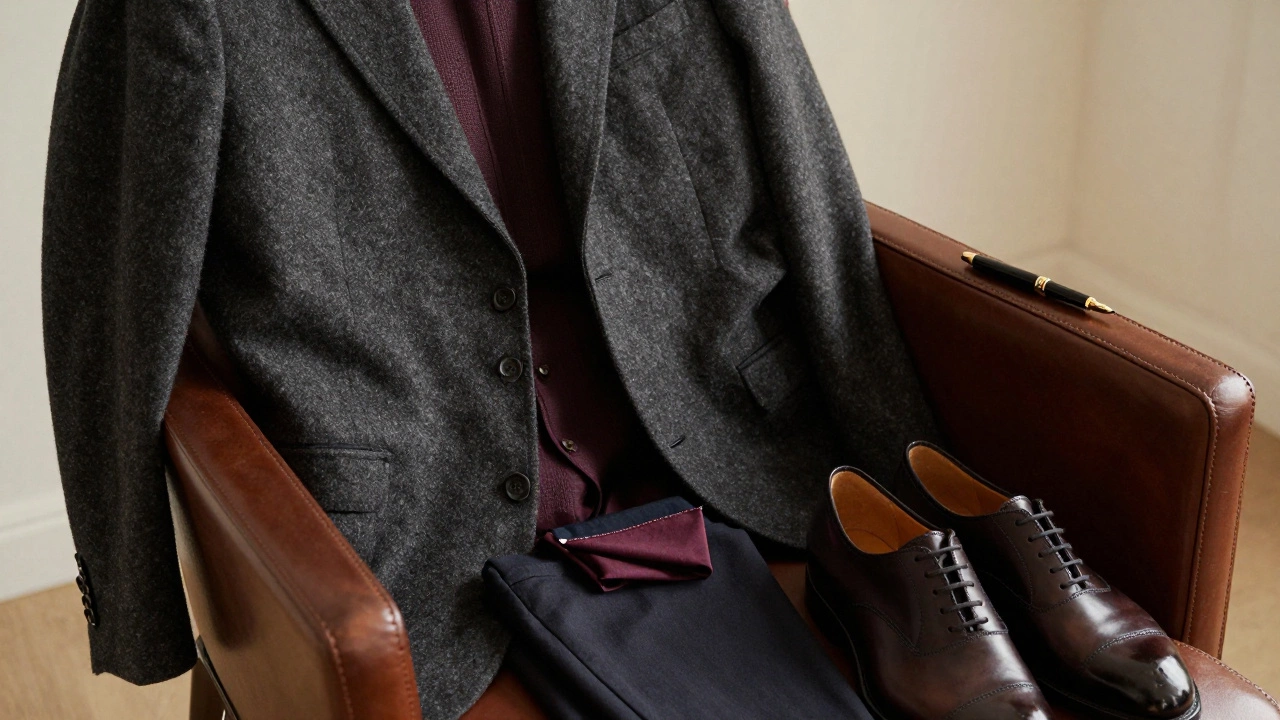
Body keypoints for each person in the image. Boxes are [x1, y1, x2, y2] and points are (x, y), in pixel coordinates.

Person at [41, 0, 934, 717]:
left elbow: (801, 149)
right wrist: (139, 602)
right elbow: (109, 289)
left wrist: (909, 468)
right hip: (418, 520)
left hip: (719, 441)